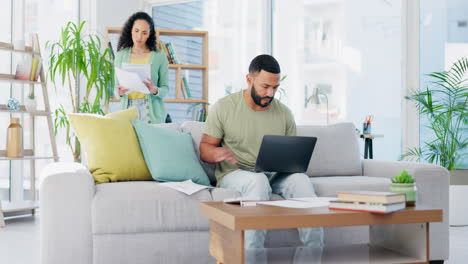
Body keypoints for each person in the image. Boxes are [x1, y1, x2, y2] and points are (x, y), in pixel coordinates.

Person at [200, 54, 323, 248]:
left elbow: (291, 154)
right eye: (265, 86)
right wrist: (217, 153)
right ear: (249, 79)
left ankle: (315, 254)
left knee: (301, 180)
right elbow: (205, 149)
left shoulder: (284, 113)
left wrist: (293, 164)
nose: (270, 93)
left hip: (275, 174)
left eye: (275, 88)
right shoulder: (223, 107)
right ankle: (251, 256)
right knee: (258, 181)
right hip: (236, 174)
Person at [114, 11, 171, 123]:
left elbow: (165, 89)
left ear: (150, 34)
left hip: (151, 111)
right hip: (127, 111)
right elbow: (116, 90)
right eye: (136, 31)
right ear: (130, 30)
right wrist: (119, 92)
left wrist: (154, 90)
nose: (139, 36)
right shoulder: (120, 55)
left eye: (144, 33)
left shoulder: (159, 56)